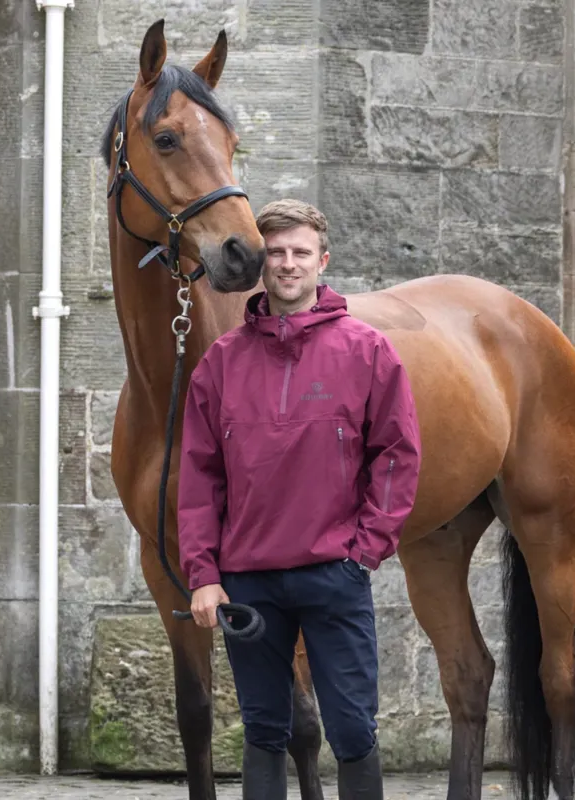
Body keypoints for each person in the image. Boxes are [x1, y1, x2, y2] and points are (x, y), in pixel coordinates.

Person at [177, 199, 422, 799]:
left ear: (322, 262)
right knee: (263, 732)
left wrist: (365, 551)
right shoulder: (221, 363)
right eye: (277, 253)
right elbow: (199, 476)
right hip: (249, 581)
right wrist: (204, 573)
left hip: (334, 573)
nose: (288, 264)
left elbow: (397, 456)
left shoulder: (367, 351)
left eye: (300, 253)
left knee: (352, 731)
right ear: (262, 263)